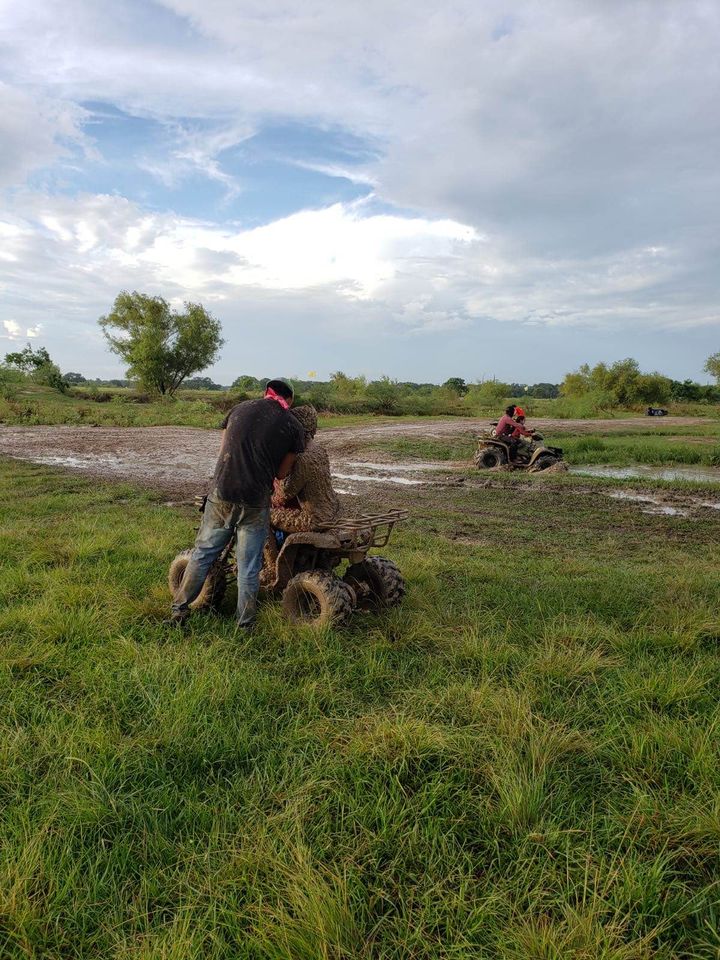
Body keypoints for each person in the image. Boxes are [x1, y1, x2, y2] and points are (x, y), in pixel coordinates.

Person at [169, 378, 304, 629]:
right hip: (255, 501)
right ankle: (245, 626)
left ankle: (179, 611)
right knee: (249, 567)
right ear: (290, 400)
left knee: (203, 555)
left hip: (222, 493)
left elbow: (224, 451)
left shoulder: (239, 409)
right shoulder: (293, 426)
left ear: (266, 393)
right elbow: (283, 474)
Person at [262, 404, 340, 583]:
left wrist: (268, 497)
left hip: (313, 519)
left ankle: (272, 568)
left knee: (261, 516)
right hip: (332, 512)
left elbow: (285, 494)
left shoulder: (302, 457)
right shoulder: (320, 451)